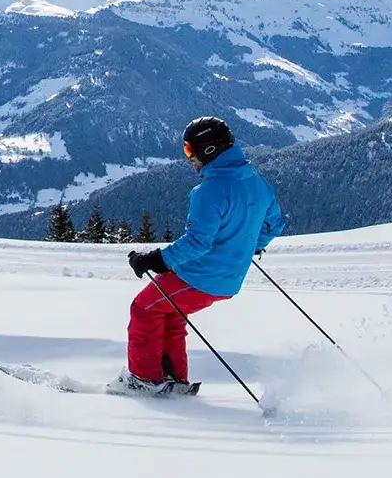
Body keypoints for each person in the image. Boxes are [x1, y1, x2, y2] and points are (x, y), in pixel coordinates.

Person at [120, 117, 286, 394]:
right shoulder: (257, 183)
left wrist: (154, 260)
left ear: (209, 149)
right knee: (170, 314)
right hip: (229, 280)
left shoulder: (208, 191)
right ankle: (173, 381)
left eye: (189, 150)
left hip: (200, 276)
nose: (188, 158)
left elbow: (197, 243)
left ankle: (144, 380)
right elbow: (274, 224)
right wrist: (248, 245)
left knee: (143, 308)